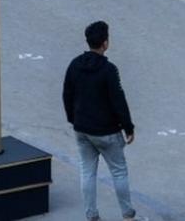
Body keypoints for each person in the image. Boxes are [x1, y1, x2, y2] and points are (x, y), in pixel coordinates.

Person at [63, 21, 142, 221]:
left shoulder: (74, 65)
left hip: (82, 129)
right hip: (106, 132)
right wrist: (128, 127)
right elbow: (118, 100)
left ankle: (91, 215)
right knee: (119, 172)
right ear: (105, 43)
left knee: (87, 171)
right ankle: (127, 215)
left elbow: (67, 95)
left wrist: (74, 119)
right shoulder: (108, 70)